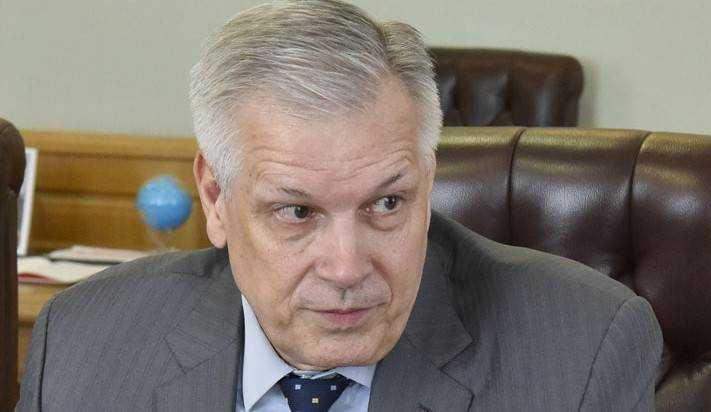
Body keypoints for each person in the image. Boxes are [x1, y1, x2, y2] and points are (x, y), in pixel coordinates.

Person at [17, 1, 662, 411]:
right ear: (215, 198)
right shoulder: (86, 342)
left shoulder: (580, 352)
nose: (348, 268)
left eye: (387, 203)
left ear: (429, 181)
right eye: (297, 213)